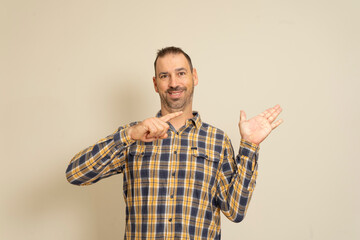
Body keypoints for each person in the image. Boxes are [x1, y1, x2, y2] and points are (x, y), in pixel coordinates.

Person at [66, 46, 283, 239]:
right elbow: (75, 174)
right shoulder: (135, 137)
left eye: (181, 73)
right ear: (155, 83)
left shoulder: (218, 141)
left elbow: (235, 211)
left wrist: (250, 146)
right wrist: (130, 134)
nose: (173, 83)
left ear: (194, 77)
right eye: (164, 76)